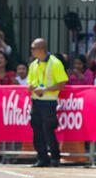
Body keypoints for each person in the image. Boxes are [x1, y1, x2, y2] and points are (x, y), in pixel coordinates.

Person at [27, 38, 68, 167]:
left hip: (49, 102)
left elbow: (62, 83)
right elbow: (31, 80)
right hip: (36, 101)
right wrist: (31, 86)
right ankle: (42, 158)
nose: (32, 51)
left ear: (42, 49)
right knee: (37, 130)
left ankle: (55, 157)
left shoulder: (55, 63)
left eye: (34, 48)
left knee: (48, 130)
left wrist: (45, 89)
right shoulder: (34, 64)